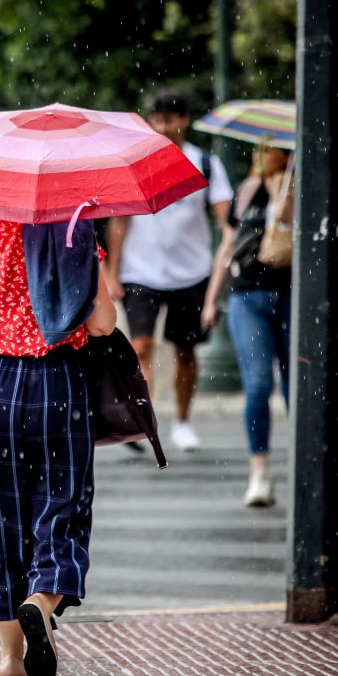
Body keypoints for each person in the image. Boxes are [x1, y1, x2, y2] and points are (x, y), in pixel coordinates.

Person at [0, 216, 116, 676]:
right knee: (63, 505)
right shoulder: (72, 234)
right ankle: (41, 599)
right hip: (56, 382)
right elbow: (103, 323)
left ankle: (9, 661)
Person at [105, 90, 232, 452]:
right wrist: (113, 273)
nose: (162, 127)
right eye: (156, 119)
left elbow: (225, 219)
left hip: (190, 272)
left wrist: (226, 249)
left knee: (186, 352)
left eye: (169, 119)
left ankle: (182, 420)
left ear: (183, 120)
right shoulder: (137, 162)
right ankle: (147, 419)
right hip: (141, 270)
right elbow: (119, 222)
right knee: (141, 346)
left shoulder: (205, 164)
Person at [202, 143, 293, 507]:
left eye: (268, 150)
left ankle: (303, 466)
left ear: (286, 155)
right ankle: (260, 472)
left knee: (296, 388)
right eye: (258, 150)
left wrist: (291, 215)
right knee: (257, 382)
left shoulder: (298, 188)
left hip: (291, 296)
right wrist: (211, 299)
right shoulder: (247, 189)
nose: (260, 156)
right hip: (246, 296)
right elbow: (229, 245)